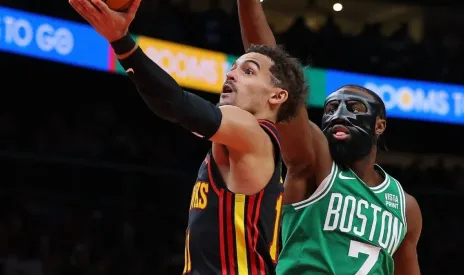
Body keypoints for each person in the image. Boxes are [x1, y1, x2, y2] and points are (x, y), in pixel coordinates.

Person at [69, 0, 309, 274]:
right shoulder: (242, 141)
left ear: (277, 96)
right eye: (233, 67)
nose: (231, 75)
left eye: (248, 71)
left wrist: (122, 42)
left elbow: (176, 104)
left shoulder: (253, 133)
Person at [237, 1, 423, 274]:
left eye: (355, 108)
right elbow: (274, 70)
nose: (339, 115)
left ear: (379, 125)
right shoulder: (315, 164)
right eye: (331, 109)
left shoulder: (405, 207)